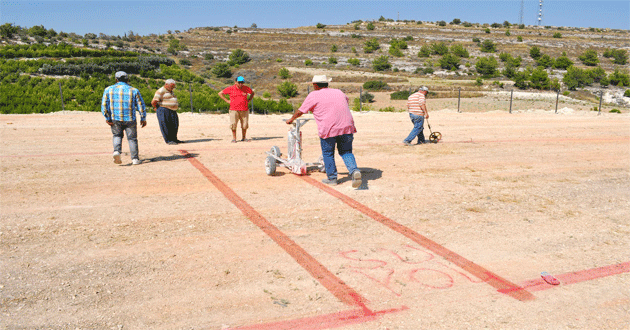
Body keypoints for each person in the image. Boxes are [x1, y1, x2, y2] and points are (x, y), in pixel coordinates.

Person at [286, 75, 362, 188]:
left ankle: (332, 178)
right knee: (346, 152)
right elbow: (345, 101)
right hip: (347, 126)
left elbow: (301, 111)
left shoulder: (314, 95)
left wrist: (291, 119)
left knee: (328, 153)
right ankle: (354, 170)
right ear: (327, 84)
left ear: (315, 85)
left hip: (329, 128)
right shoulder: (339, 92)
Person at [101, 71, 147, 165]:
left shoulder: (108, 89)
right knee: (132, 139)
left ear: (116, 79)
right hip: (130, 118)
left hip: (115, 117)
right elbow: (140, 105)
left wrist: (107, 117)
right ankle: (135, 159)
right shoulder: (134, 90)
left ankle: (117, 151)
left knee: (117, 135)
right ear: (127, 79)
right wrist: (143, 117)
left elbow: (104, 105)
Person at [218, 76, 255, 143]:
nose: (241, 84)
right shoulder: (231, 88)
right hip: (234, 109)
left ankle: (244, 138)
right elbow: (220, 93)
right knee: (233, 124)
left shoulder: (246, 88)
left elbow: (252, 93)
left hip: (244, 109)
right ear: (235, 82)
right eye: (239, 82)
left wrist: (249, 100)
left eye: (242, 82)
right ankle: (234, 138)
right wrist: (227, 101)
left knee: (245, 124)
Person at [152, 79, 181, 145]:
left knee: (174, 124)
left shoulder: (171, 91)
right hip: (164, 109)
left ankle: (174, 139)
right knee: (165, 125)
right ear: (166, 85)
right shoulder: (160, 91)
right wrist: (156, 107)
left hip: (172, 110)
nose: (173, 88)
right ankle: (168, 140)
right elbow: (154, 101)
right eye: (171, 86)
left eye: (173, 86)